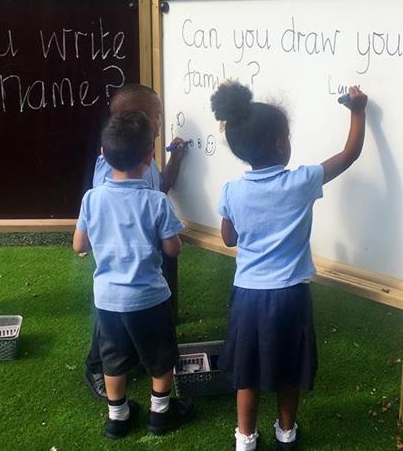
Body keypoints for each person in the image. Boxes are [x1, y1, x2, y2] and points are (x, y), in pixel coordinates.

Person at [211, 82, 368, 450]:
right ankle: (286, 433)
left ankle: (245, 439)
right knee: (288, 370)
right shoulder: (301, 182)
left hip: (249, 296)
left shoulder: (231, 191)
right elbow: (349, 154)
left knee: (247, 373)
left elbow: (229, 238)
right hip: (291, 297)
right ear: (282, 144)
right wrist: (358, 111)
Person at [73, 111, 194, 439]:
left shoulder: (91, 199)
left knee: (112, 359)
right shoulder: (156, 202)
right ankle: (160, 413)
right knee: (160, 357)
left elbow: (79, 244)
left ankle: (118, 418)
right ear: (150, 157)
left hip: (108, 301)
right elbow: (173, 249)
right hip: (149, 298)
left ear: (104, 154)